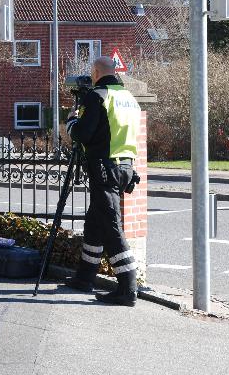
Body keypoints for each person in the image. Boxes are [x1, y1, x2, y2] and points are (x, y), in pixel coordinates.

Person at [64, 56, 142, 306]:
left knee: (110, 226)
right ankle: (85, 276)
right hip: (126, 167)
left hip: (104, 167)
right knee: (96, 221)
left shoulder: (97, 96)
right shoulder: (129, 98)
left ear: (96, 72)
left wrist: (71, 123)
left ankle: (128, 287)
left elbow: (84, 134)